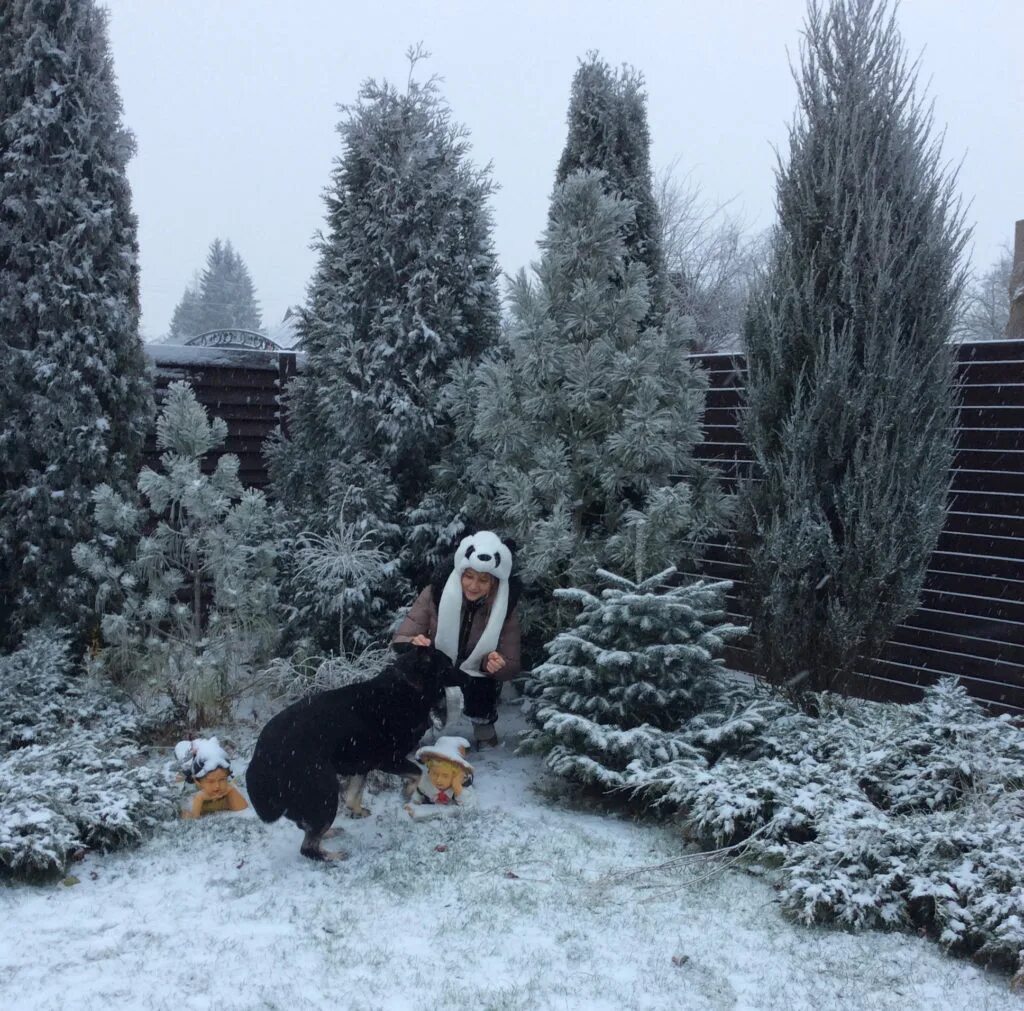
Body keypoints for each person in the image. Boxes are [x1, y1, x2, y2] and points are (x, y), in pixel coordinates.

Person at [394, 530, 521, 749]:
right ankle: (411, 729)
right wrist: (413, 643)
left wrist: (495, 664)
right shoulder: (435, 593)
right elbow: (402, 636)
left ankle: (483, 729)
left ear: (495, 583)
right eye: (469, 576)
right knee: (409, 680)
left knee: (482, 687)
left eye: (483, 580)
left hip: (474, 673)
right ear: (460, 572)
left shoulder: (505, 607)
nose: (473, 586)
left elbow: (512, 663)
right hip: (436, 665)